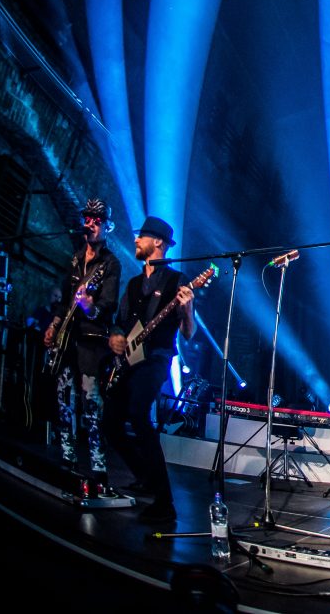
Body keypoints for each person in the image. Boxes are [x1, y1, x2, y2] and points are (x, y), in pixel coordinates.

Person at [104, 215, 195, 524]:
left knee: (139, 415)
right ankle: (143, 475)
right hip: (129, 360)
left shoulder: (176, 280)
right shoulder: (133, 283)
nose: (136, 240)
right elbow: (120, 322)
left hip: (156, 358)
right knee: (110, 422)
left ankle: (165, 502)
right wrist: (115, 337)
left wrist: (188, 309)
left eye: (141, 236)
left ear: (158, 242)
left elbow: (188, 333)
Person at [43, 198, 122, 490]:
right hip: (68, 339)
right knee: (64, 398)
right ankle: (67, 457)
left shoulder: (110, 264)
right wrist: (54, 325)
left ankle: (98, 467)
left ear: (106, 226)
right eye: (87, 218)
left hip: (92, 342)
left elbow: (109, 304)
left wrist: (91, 308)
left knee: (91, 403)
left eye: (96, 220)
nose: (90, 224)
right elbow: (65, 300)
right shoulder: (75, 259)